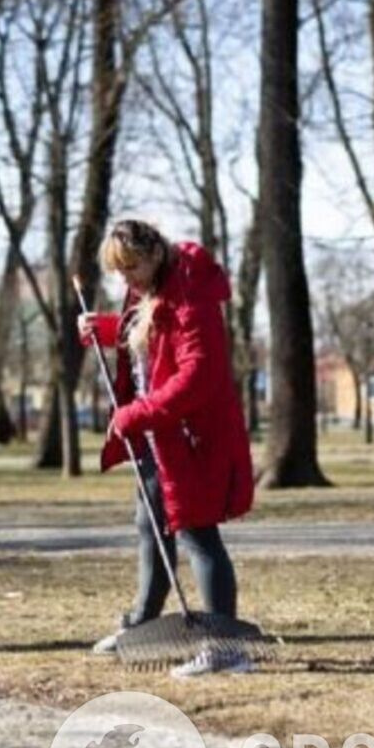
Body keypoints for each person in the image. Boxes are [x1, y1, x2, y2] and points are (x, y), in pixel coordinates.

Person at [78, 218, 255, 677]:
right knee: (150, 527)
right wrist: (105, 326)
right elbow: (153, 333)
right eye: (120, 271)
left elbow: (199, 375)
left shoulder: (192, 292)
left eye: (132, 266)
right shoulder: (156, 288)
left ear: (155, 253)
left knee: (198, 534)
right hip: (162, 435)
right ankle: (143, 625)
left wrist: (138, 413)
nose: (127, 279)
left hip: (194, 437)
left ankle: (225, 649)